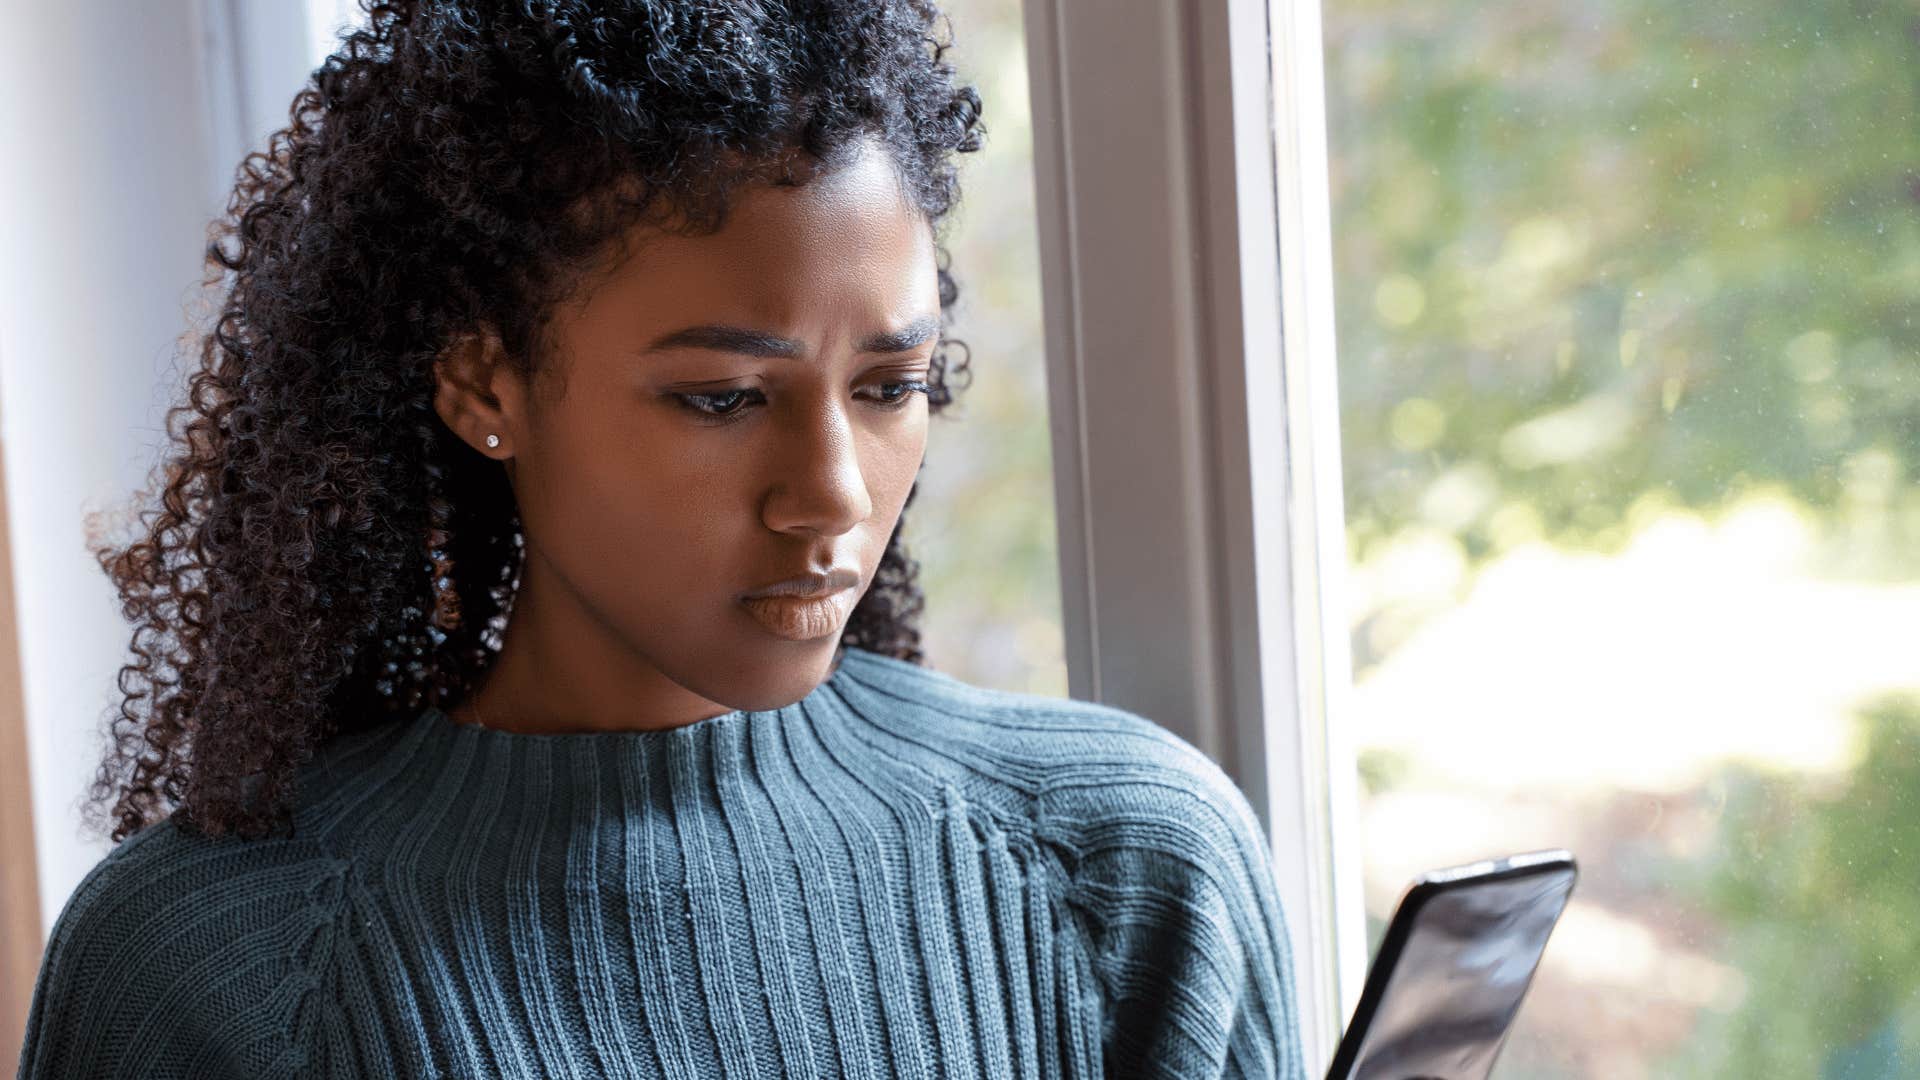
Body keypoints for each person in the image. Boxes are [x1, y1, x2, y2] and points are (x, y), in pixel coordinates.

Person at [14, 1, 1307, 1077]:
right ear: (483, 384)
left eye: (889, 386)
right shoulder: (212, 969)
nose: (836, 494)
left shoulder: (1130, 873)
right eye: (724, 399)